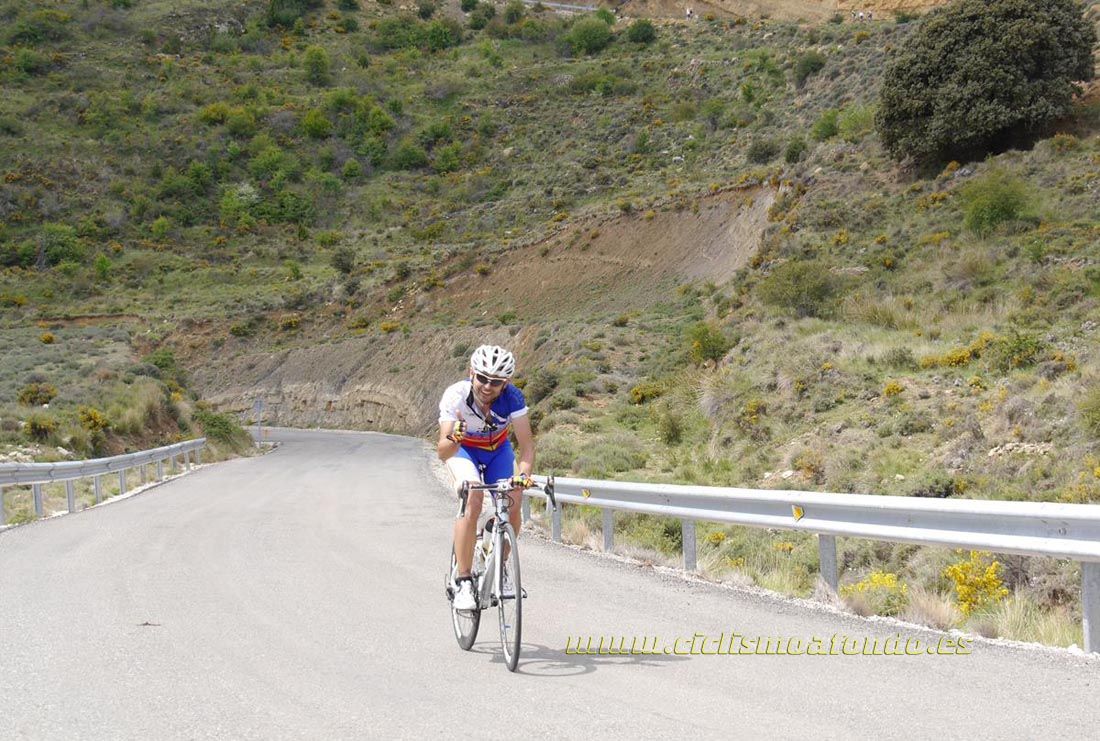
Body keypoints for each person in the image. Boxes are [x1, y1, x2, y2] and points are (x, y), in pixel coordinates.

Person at [438, 344, 535, 611]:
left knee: (514, 500)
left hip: (498, 451)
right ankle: (464, 580)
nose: (487, 386)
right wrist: (455, 435)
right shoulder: (455, 397)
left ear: (506, 383)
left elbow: (526, 447)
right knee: (474, 498)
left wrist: (523, 476)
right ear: (471, 373)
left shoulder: (513, 399)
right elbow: (442, 451)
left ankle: (499, 563)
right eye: (482, 378)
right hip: (464, 450)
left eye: (496, 382)